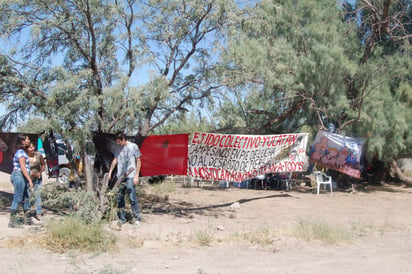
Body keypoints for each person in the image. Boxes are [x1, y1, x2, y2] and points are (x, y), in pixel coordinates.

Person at [108, 132, 142, 226]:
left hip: (131, 175)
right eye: (117, 142)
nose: (118, 143)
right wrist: (110, 172)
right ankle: (122, 218)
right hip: (120, 176)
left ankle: (137, 218)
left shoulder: (133, 146)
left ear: (123, 139)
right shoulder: (117, 148)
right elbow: (115, 160)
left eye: (119, 141)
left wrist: (136, 175)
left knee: (132, 196)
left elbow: (138, 160)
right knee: (120, 197)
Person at [9, 134, 33, 228]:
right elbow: (23, 167)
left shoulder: (23, 152)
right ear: (23, 141)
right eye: (27, 139)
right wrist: (29, 180)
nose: (29, 140)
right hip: (19, 176)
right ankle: (12, 221)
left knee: (26, 197)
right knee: (18, 197)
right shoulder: (20, 153)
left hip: (22, 176)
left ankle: (27, 219)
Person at [27, 142, 45, 221]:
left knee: (38, 195)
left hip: (37, 178)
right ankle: (27, 212)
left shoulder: (38, 155)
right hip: (28, 178)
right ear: (27, 149)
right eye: (30, 147)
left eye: (33, 147)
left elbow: (43, 165)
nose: (32, 149)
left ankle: (38, 213)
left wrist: (40, 173)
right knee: (28, 195)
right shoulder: (25, 156)